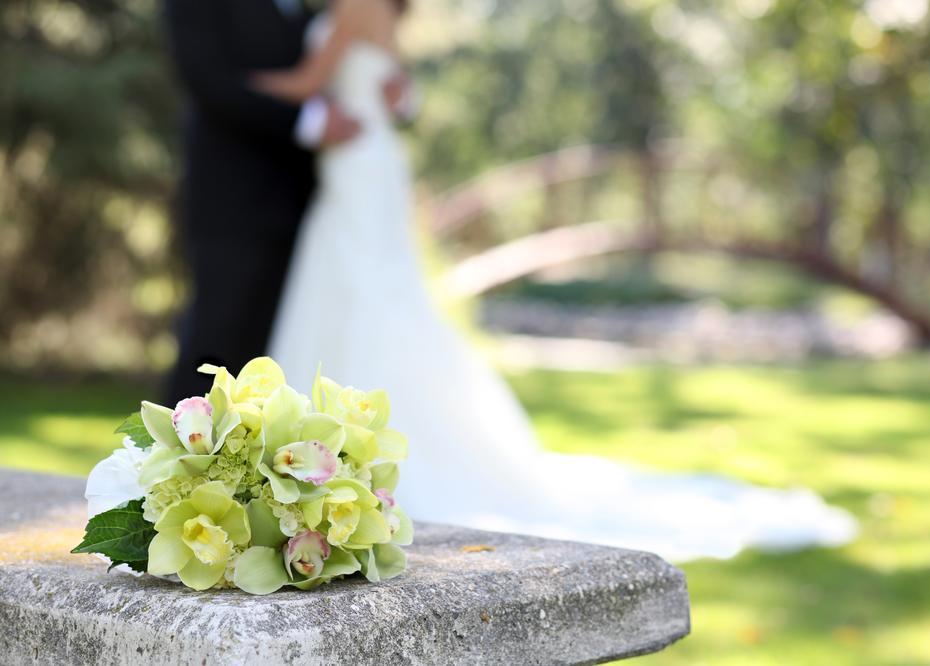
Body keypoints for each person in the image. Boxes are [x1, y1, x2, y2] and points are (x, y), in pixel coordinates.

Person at [255, 0, 857, 561]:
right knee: (372, 295)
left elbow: (308, 84)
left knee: (362, 296)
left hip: (357, 166)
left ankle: (360, 457)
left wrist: (228, 91)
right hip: (369, 162)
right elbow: (400, 94)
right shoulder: (378, 13)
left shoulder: (355, 8)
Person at [161, 0, 403, 403]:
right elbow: (206, 80)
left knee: (280, 341)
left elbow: (353, 78)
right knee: (216, 336)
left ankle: (253, 458)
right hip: (231, 198)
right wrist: (309, 121)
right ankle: (178, 456)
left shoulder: (323, 8)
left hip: (309, 199)